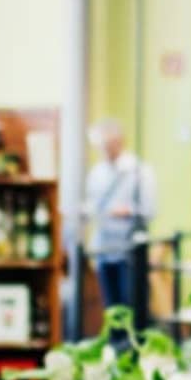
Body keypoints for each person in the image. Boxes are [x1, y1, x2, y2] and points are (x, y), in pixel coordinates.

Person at [82, 117, 156, 329]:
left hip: (129, 251)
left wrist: (128, 211)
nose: (104, 149)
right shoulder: (97, 173)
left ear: (119, 141)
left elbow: (150, 210)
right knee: (111, 310)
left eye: (108, 144)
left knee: (131, 307)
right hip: (104, 249)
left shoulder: (139, 171)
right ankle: (114, 352)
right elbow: (93, 206)